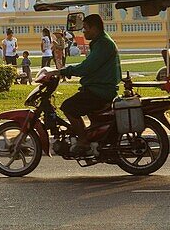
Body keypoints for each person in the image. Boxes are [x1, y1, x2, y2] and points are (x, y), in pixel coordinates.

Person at [48, 14, 121, 154]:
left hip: (100, 91)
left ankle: (83, 141)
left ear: (94, 28)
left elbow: (86, 67)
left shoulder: (103, 44)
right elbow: (89, 66)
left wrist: (64, 71)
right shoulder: (101, 42)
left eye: (86, 28)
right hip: (98, 88)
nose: (84, 32)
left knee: (68, 107)